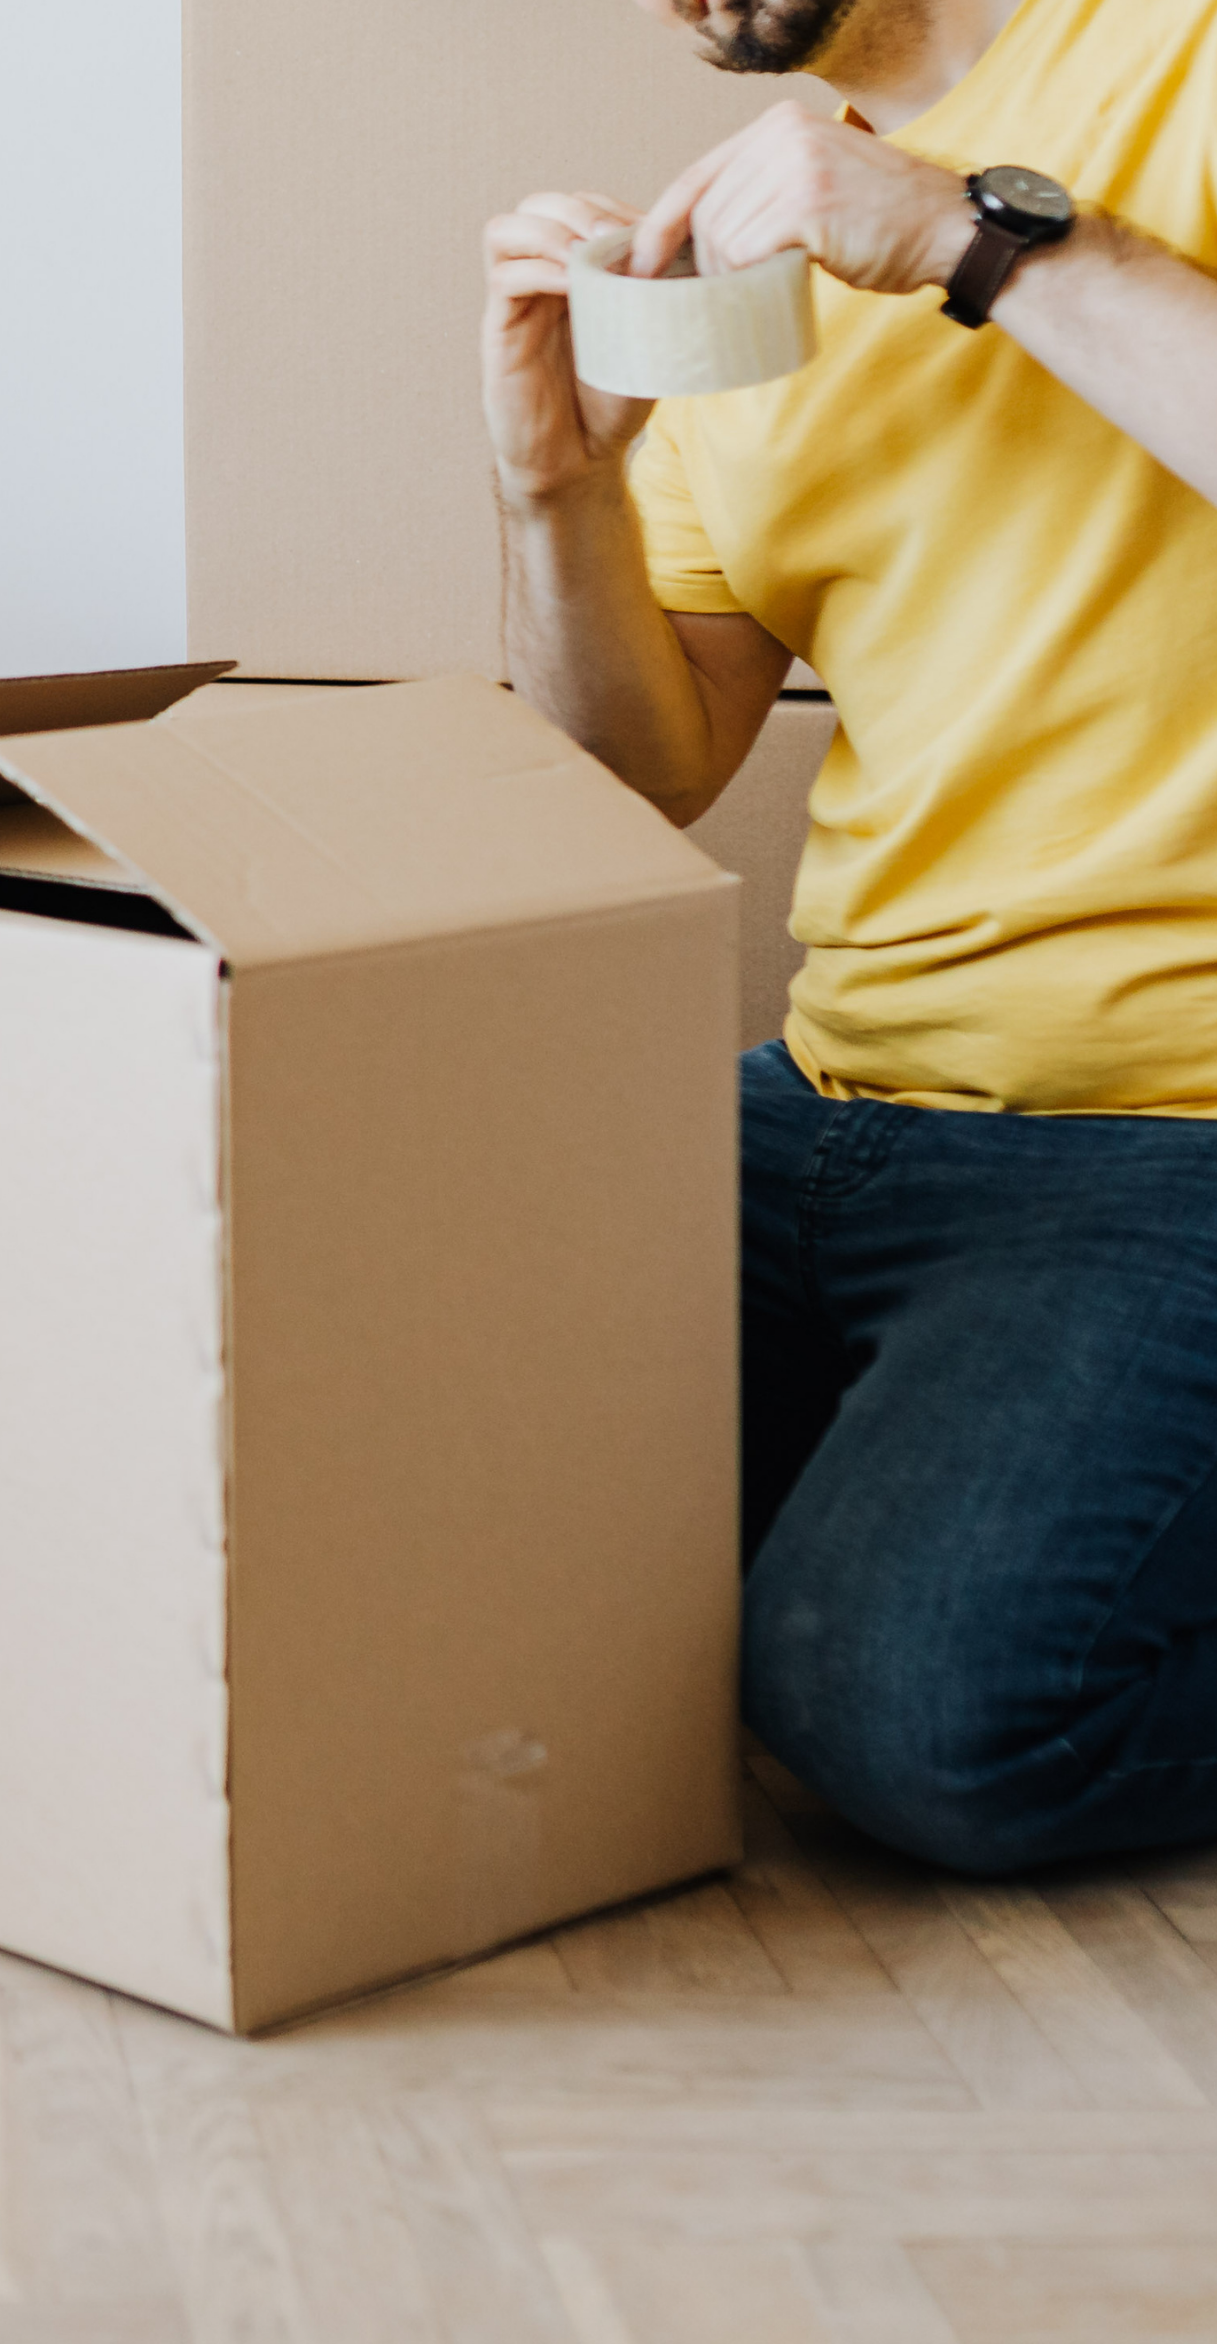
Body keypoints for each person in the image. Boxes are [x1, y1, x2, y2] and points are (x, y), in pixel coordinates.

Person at [482, 0, 1217, 1873]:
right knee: (408, 1489)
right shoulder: (758, 232)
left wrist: (980, 239)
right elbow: (640, 758)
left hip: (1168, 1133)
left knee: (931, 1717)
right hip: (825, 1109)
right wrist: (555, 493)